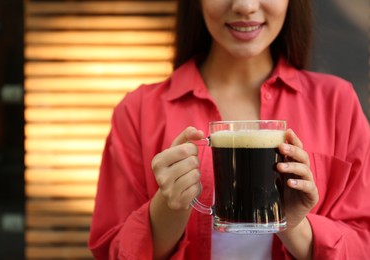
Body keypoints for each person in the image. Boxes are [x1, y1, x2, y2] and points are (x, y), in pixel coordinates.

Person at [88, 0, 370, 259]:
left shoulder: (338, 104)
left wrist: (294, 224)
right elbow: (112, 251)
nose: (245, 6)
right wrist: (167, 207)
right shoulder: (137, 111)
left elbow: (363, 245)